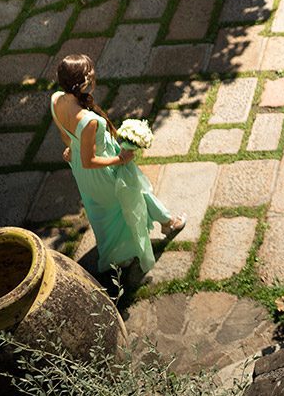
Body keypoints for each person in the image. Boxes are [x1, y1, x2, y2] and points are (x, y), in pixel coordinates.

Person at [50, 54, 186, 276]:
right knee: (136, 194)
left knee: (103, 213)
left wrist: (71, 149)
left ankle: (122, 252)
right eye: (92, 76)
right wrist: (121, 159)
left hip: (82, 172)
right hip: (102, 169)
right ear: (84, 82)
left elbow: (65, 134)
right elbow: (90, 160)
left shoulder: (56, 99)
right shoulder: (89, 120)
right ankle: (168, 223)